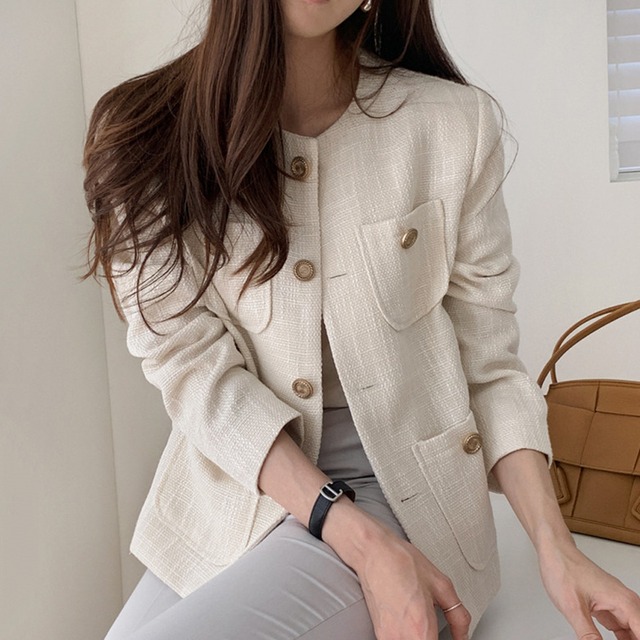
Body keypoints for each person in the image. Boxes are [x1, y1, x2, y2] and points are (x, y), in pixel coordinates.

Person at [83, 1, 640, 639]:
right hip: (236, 489)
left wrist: (557, 549)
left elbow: (490, 371)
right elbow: (191, 370)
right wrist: (360, 542)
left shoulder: (451, 125)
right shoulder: (145, 135)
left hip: (407, 492)